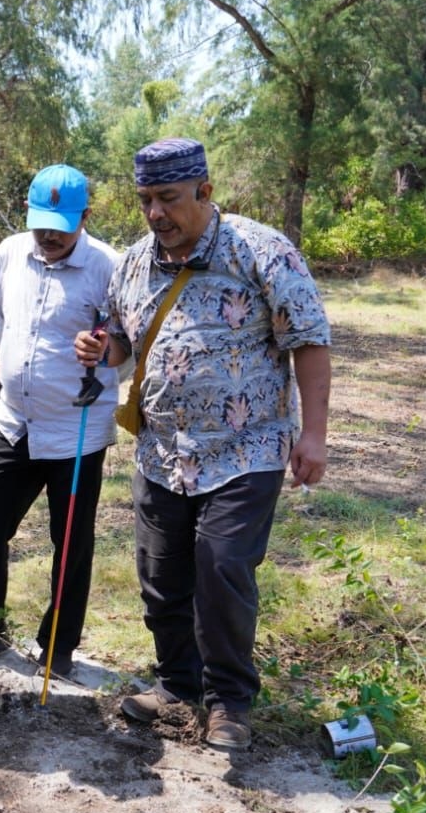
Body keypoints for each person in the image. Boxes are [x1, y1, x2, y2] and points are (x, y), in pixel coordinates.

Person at [77, 138, 331, 751]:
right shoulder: (135, 264)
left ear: (205, 192)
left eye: (168, 198)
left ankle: (229, 702)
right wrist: (101, 350)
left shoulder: (262, 251)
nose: (156, 213)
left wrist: (315, 434)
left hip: (246, 449)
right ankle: (175, 683)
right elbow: (122, 343)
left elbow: (309, 340)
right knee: (161, 575)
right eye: (145, 201)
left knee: (222, 570)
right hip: (163, 452)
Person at [0, 164, 122, 677]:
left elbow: (127, 348)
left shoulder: (108, 268)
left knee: (71, 541)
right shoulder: (8, 254)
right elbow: (5, 323)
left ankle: (58, 646)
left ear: (85, 217)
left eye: (61, 223)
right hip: (14, 420)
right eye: (40, 222)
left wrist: (103, 353)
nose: (49, 234)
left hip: (76, 430)